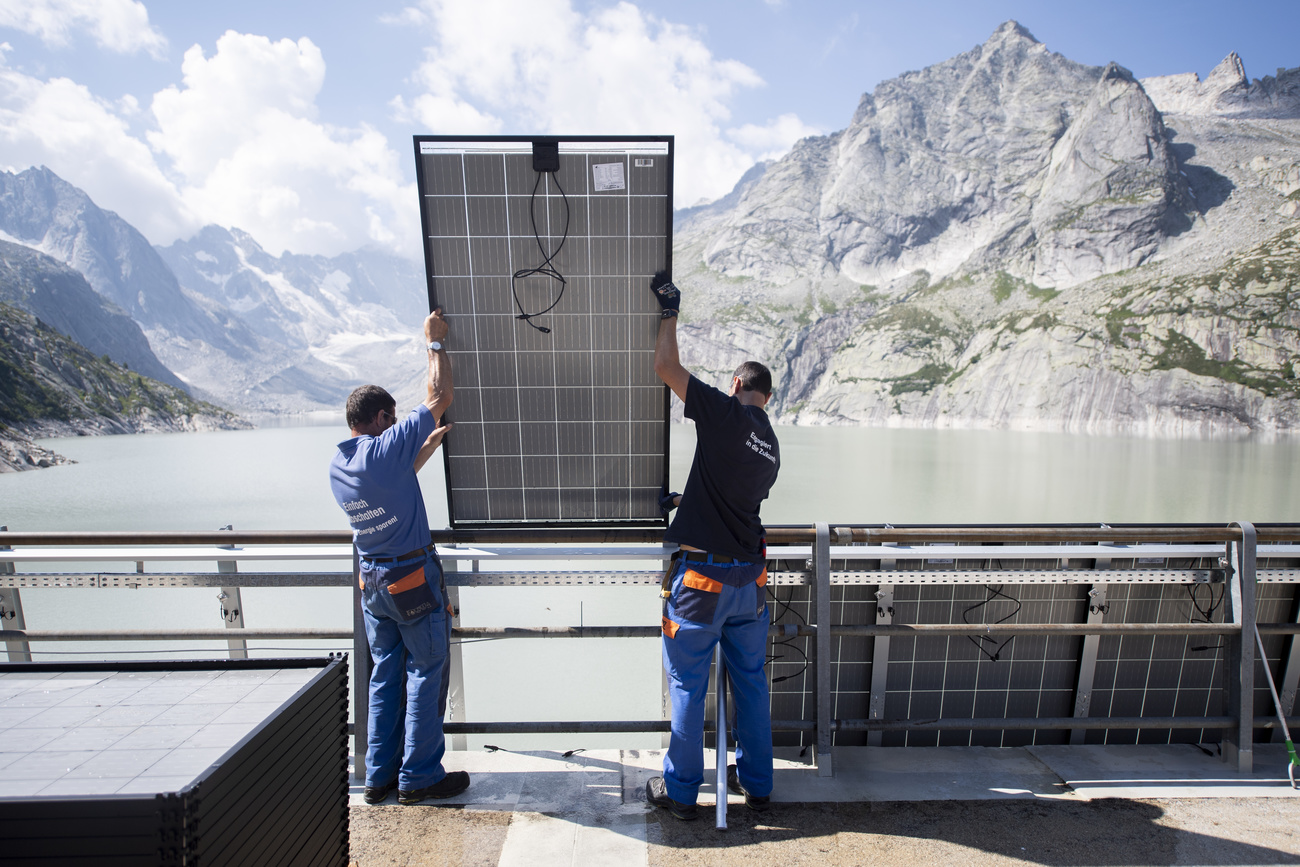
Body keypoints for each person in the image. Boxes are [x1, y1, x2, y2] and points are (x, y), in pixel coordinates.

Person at [644, 272, 781, 821]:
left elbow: (666, 370)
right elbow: (733, 497)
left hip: (701, 583)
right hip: (748, 581)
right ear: (767, 397)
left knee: (686, 682)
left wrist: (669, 311)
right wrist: (688, 500)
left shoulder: (726, 414)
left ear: (734, 384)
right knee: (749, 683)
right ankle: (759, 784)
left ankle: (680, 794)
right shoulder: (770, 444)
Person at [328, 308, 470, 806]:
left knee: (385, 671)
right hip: (411, 578)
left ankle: (378, 776)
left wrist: (423, 449)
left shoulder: (341, 465)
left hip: (372, 583)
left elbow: (393, 473)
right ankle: (421, 777)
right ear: (381, 419)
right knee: (427, 670)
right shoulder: (385, 448)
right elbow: (440, 397)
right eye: (391, 419)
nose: (394, 424)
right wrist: (433, 342)